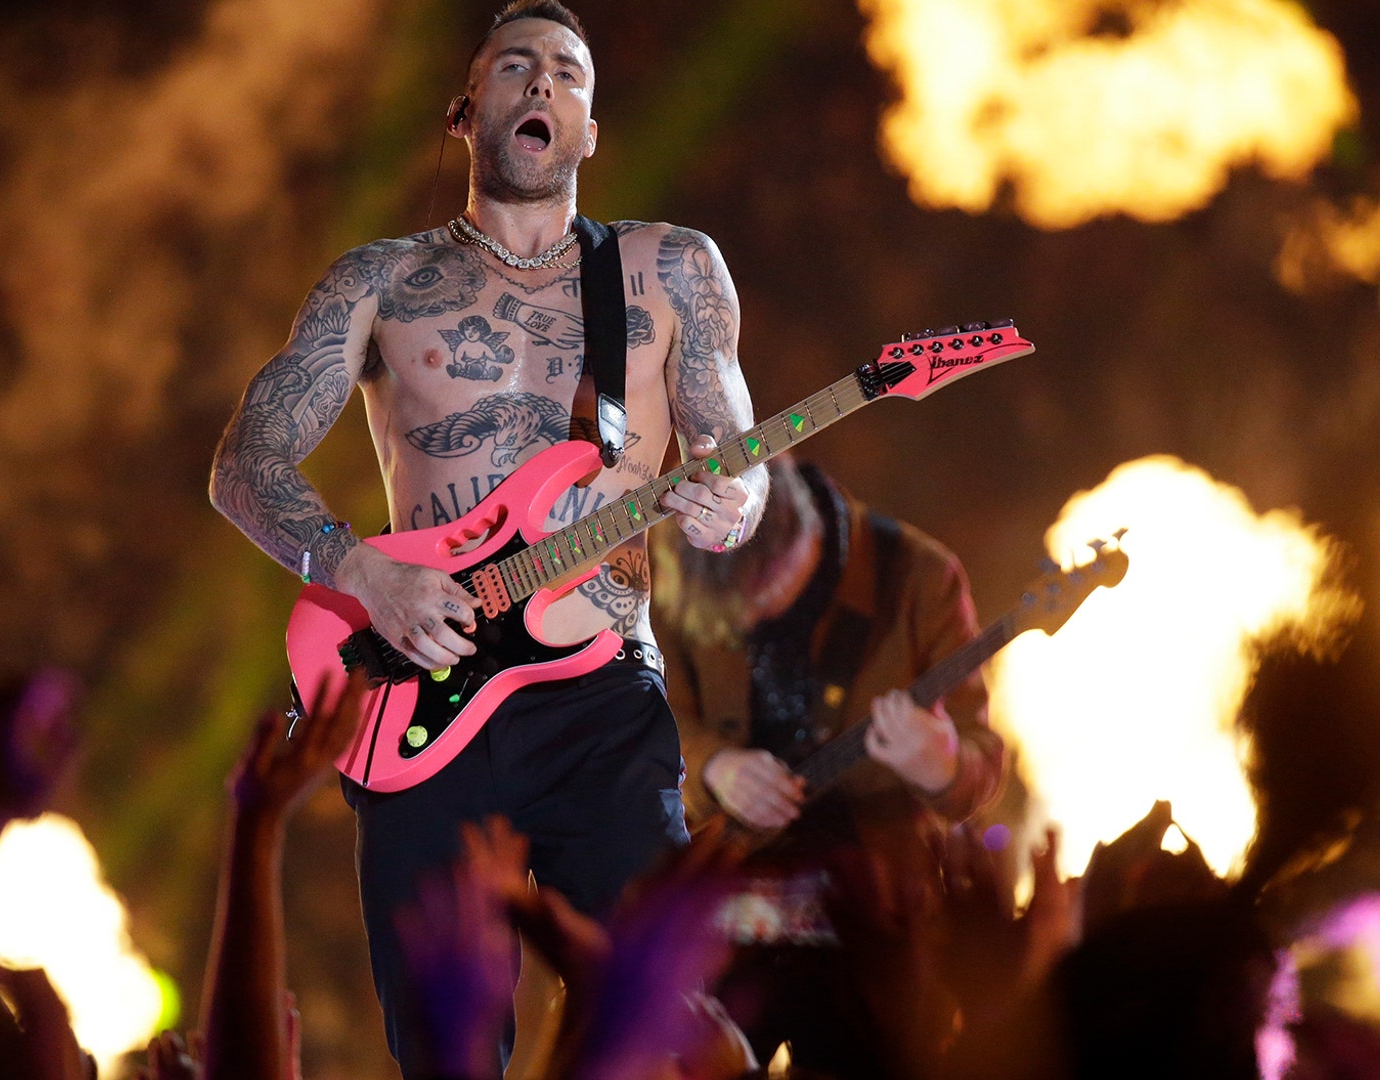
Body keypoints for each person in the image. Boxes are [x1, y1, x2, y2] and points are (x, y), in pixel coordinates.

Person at [208, 2, 768, 1074]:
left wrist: (728, 505)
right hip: (425, 698)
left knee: (675, 1029)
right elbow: (242, 466)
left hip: (603, 703)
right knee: (449, 1052)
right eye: (516, 66)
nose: (543, 83)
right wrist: (360, 571)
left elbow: (735, 465)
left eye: (568, 71)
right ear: (469, 112)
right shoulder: (374, 283)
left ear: (591, 128)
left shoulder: (672, 271)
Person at [653, 457, 1006, 1078]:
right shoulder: (680, 556)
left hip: (874, 915)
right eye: (733, 611)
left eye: (763, 594)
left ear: (804, 539)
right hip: (730, 904)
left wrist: (943, 765)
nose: (753, 617)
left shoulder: (922, 579)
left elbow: (982, 765)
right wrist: (714, 768)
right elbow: (650, 711)